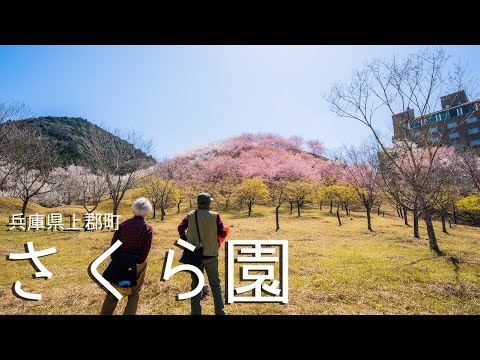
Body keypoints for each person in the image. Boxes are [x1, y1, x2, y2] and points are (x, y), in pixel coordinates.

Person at [100, 197, 153, 315]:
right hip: (137, 262)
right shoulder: (147, 228)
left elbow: (114, 244)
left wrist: (116, 259)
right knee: (134, 294)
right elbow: (145, 249)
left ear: (133, 209)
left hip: (120, 259)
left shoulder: (123, 224)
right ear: (147, 211)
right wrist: (138, 262)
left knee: (113, 291)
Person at [178, 193, 226, 315]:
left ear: (198, 202)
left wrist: (185, 240)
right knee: (215, 285)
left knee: (195, 286)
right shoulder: (215, 216)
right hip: (211, 255)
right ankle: (220, 313)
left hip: (194, 255)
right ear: (209, 203)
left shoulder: (190, 215)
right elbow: (222, 233)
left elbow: (180, 227)